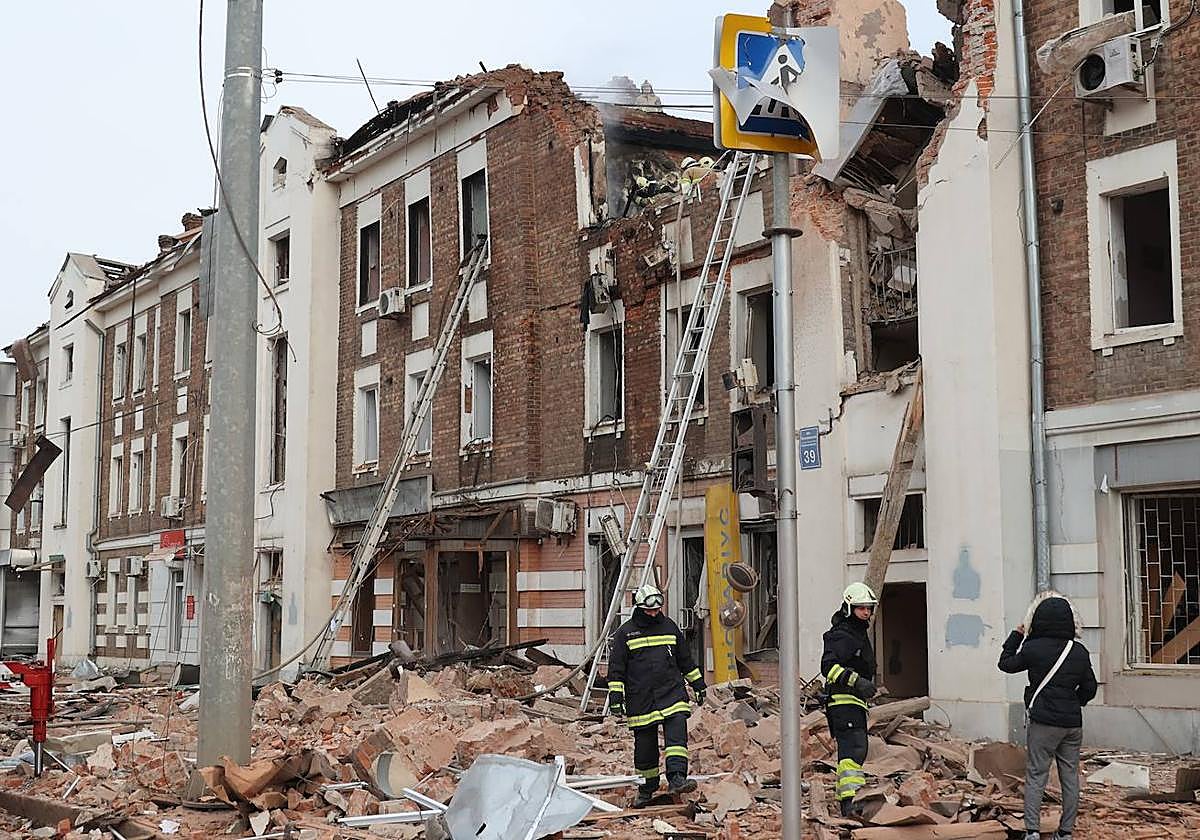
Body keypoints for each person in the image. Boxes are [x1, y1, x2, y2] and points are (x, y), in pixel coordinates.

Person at [998, 592, 1098, 840]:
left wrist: (1017, 634)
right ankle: (1065, 832)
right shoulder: (1079, 651)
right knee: (1070, 776)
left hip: (1043, 723)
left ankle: (1032, 831)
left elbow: (1006, 664)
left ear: (1039, 619)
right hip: (1072, 724)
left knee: (1036, 775)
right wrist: (1075, 703)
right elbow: (1090, 687)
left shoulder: (1033, 649)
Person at [606, 583, 707, 807]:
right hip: (641, 698)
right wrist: (616, 697)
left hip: (671, 692)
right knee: (645, 747)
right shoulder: (625, 633)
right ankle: (646, 788)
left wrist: (698, 684)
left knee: (677, 735)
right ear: (639, 608)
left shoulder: (670, 627)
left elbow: (685, 660)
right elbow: (616, 669)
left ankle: (677, 778)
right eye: (649, 610)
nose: (653, 614)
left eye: (657, 609)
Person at [821, 582, 879, 817]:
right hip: (843, 701)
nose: (866, 612)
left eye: (868, 608)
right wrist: (858, 682)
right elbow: (828, 667)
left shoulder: (857, 633)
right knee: (853, 749)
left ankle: (851, 798)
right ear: (849, 608)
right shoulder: (842, 634)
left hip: (854, 702)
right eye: (861, 608)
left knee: (857, 749)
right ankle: (849, 802)